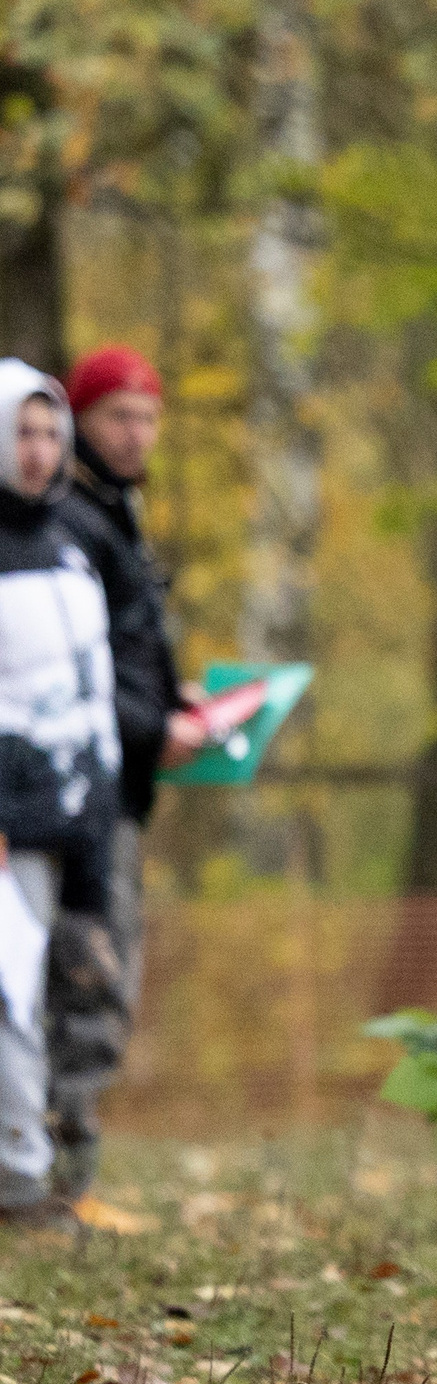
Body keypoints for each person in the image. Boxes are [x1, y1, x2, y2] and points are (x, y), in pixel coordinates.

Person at [53, 345, 196, 1199]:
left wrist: (174, 699)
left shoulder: (113, 514)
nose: (137, 434)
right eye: (119, 416)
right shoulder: (70, 521)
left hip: (118, 782)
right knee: (88, 982)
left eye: (149, 417)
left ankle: (65, 1175)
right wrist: (154, 730)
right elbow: (73, 671)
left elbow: (128, 657)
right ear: (80, 418)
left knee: (104, 980)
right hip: (84, 790)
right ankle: (58, 1182)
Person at [0, 361, 121, 1231]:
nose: (37, 452)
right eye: (20, 431)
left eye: (49, 433)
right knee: (7, 994)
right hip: (9, 821)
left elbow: (90, 696)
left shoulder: (77, 549)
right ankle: (18, 1179)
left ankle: (50, 1170)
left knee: (61, 993)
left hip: (73, 818)